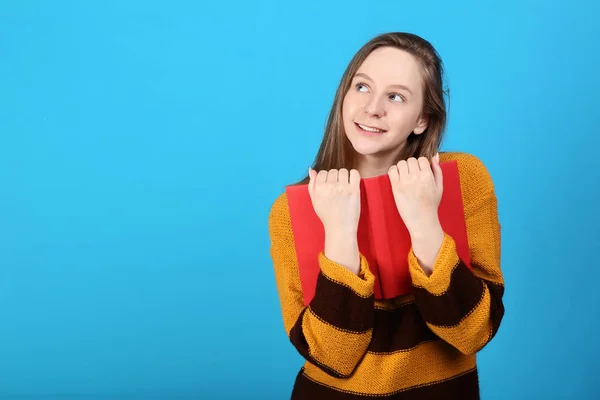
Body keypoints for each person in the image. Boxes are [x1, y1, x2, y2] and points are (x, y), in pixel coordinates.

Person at [267, 32, 504, 399]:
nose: (372, 108)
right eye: (362, 87)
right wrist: (340, 233)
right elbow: (333, 356)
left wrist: (426, 222)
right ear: (344, 96)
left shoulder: (465, 181)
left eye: (396, 96)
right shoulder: (290, 213)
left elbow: (472, 332)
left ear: (422, 119)